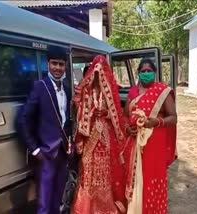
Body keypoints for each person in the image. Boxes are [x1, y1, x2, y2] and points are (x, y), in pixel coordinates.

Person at [19, 48, 72, 214]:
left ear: (65, 66)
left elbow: (66, 120)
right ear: (47, 64)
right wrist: (35, 149)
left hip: (63, 153)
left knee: (57, 200)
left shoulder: (67, 88)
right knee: (44, 204)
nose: (57, 67)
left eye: (61, 64)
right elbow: (24, 120)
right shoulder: (40, 87)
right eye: (54, 63)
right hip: (46, 155)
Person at [71, 55, 127, 214]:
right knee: (88, 170)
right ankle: (87, 207)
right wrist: (86, 108)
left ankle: (105, 207)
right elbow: (77, 109)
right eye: (95, 71)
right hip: (89, 136)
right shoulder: (84, 90)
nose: (98, 74)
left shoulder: (110, 91)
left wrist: (107, 113)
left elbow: (118, 114)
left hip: (105, 138)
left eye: (101, 71)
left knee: (104, 172)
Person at [124, 58, 177, 214]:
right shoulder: (133, 91)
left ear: (155, 73)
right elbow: (125, 115)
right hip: (135, 144)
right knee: (136, 179)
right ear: (138, 73)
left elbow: (173, 117)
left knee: (152, 176)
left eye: (149, 71)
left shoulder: (163, 91)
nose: (146, 73)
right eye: (143, 71)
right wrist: (128, 128)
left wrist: (157, 121)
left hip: (155, 142)